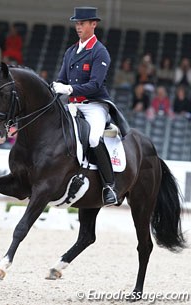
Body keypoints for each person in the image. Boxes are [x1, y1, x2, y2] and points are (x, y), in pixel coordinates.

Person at [52, 7, 117, 206]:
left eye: (82, 23)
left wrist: (69, 89)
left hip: (94, 105)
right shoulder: (71, 51)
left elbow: (95, 85)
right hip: (72, 105)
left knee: (93, 139)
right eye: (77, 24)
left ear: (93, 24)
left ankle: (109, 186)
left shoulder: (100, 52)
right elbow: (61, 79)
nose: (78, 27)